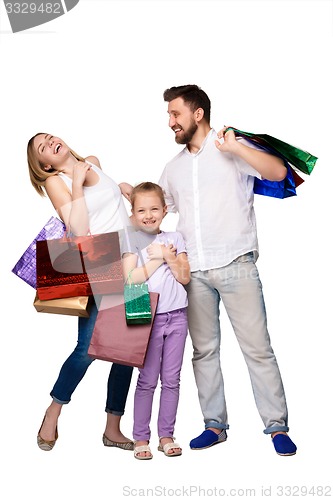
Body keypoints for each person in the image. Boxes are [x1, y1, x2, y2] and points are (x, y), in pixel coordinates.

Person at [158, 84, 297, 456]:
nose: (170, 121)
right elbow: (157, 209)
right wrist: (125, 193)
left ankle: (276, 427)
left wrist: (236, 147)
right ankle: (214, 425)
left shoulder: (230, 148)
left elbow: (278, 169)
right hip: (195, 273)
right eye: (170, 115)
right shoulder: (172, 169)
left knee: (258, 349)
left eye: (175, 114)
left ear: (197, 114)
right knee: (204, 352)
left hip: (237, 264)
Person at [27, 133, 134, 451]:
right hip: (103, 262)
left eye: (49, 137)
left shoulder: (93, 162)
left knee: (129, 348)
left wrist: (130, 193)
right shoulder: (56, 181)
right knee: (87, 348)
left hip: (133, 260)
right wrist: (75, 182)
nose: (50, 143)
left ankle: (112, 428)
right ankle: (53, 410)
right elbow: (78, 229)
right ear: (45, 163)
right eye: (43, 148)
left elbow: (114, 213)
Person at [122, 182, 190, 460]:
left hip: (178, 316)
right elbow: (130, 279)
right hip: (147, 319)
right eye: (141, 210)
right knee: (147, 380)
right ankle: (141, 437)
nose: (148, 215)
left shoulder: (175, 237)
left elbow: (184, 276)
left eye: (154, 208)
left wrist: (168, 255)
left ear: (164, 210)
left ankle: (166, 435)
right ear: (133, 213)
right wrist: (156, 260)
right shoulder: (131, 240)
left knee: (172, 379)